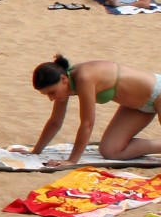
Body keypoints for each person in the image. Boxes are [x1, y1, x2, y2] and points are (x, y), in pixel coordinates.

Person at [29, 55, 161, 166]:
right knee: (110, 151)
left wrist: (72, 161)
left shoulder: (84, 77)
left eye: (52, 92)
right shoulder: (64, 85)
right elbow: (55, 122)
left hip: (158, 94)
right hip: (139, 106)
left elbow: (87, 123)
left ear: (63, 79)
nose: (51, 99)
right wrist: (35, 151)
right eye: (47, 95)